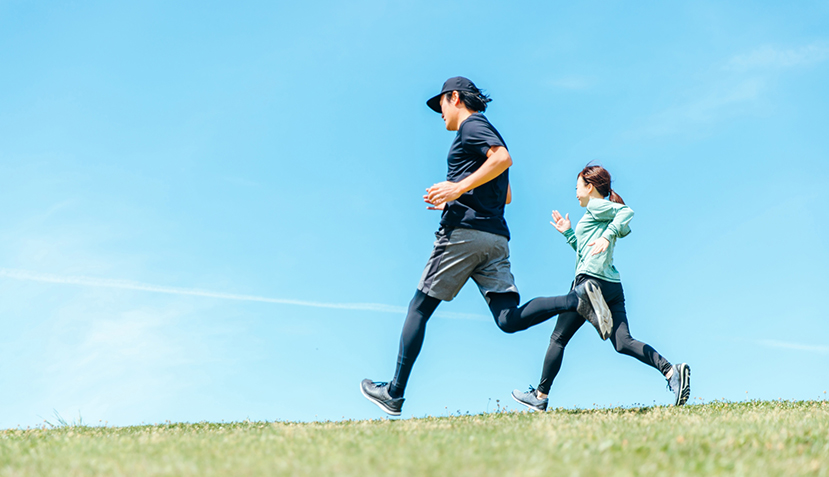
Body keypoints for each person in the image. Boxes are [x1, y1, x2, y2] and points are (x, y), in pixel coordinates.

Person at [360, 77, 613, 416]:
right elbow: (505, 193)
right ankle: (576, 298)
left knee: (419, 308)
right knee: (508, 319)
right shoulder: (486, 134)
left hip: (462, 235)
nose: (440, 114)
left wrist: (455, 190)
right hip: (495, 238)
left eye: (442, 106)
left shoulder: (472, 126)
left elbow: (503, 158)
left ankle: (394, 392)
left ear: (455, 98)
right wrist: (459, 193)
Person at [511, 164, 691, 411]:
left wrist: (608, 236)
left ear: (590, 186)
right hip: (611, 285)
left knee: (558, 338)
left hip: (589, 283)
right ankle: (671, 372)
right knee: (622, 341)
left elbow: (626, 212)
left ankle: (540, 396)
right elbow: (587, 252)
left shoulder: (597, 206)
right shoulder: (596, 214)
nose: (575, 193)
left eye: (577, 187)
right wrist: (569, 234)